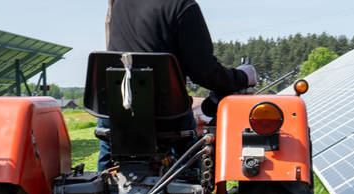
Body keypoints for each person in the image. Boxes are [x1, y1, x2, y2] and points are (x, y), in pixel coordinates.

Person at [98, 0, 257, 170]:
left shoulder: (119, 4)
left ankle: (102, 181)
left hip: (116, 112)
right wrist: (242, 77)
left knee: (111, 139)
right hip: (166, 117)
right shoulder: (181, 6)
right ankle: (190, 178)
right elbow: (205, 72)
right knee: (188, 159)